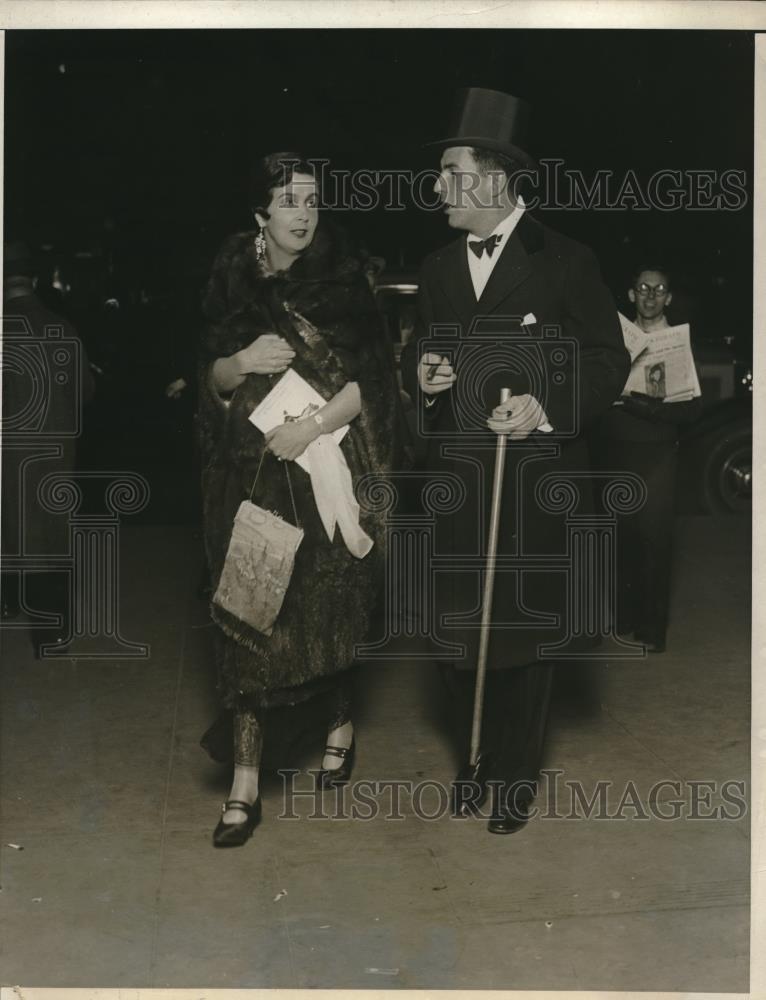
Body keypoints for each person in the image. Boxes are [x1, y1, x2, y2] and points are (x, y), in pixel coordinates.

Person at [400, 88, 630, 835]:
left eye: (450, 171)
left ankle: (513, 775)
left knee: (522, 639)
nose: (438, 187)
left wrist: (545, 405)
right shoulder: (437, 265)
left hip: (534, 483)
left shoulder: (566, 261)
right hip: (456, 484)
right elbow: (424, 350)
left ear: (495, 179)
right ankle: (473, 754)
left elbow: (605, 360)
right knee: (458, 631)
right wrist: (426, 377)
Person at [197, 152, 398, 847]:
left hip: (321, 476)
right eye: (288, 201)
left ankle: (339, 722)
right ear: (260, 214)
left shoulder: (346, 280)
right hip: (246, 482)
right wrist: (239, 365)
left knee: (326, 614)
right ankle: (244, 786)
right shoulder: (230, 279)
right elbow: (209, 378)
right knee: (247, 621)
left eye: (312, 200)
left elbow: (370, 384)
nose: (303, 214)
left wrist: (311, 426)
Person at [590, 264, 701, 653]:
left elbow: (690, 411)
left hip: (657, 452)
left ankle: (653, 630)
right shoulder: (615, 339)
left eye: (659, 290)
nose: (650, 296)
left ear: (669, 298)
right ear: (631, 294)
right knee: (620, 537)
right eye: (642, 288)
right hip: (618, 449)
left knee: (655, 539)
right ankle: (624, 619)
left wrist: (646, 408)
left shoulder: (679, 342)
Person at [1, 241, 95, 650]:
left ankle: (6, 604)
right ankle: (52, 632)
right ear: (35, 281)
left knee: (7, 528)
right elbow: (85, 393)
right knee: (50, 537)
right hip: (53, 452)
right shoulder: (61, 327)